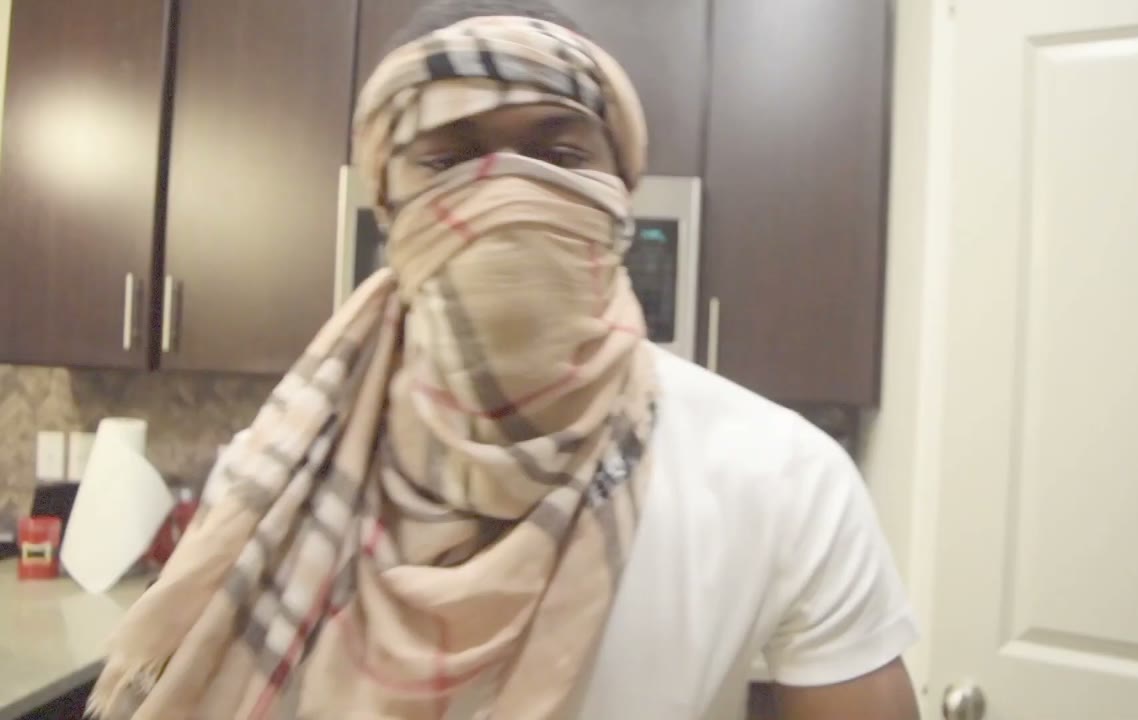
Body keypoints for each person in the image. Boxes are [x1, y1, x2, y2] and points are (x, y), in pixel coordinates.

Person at [88, 1, 919, 718]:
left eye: (560, 157)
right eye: (449, 159)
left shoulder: (783, 479)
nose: (505, 192)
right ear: (389, 203)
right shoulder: (275, 480)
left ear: (620, 192)